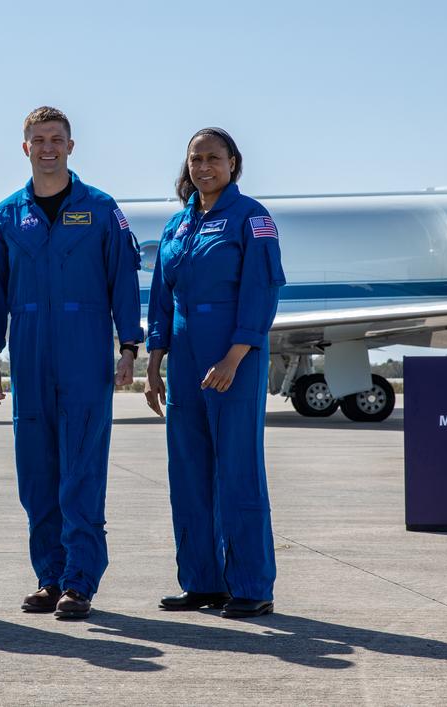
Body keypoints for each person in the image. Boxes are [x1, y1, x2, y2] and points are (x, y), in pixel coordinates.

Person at [0, 107, 142, 620]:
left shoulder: (100, 209)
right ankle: (49, 577)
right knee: (37, 474)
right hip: (28, 354)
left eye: (56, 139)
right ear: (25, 148)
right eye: (38, 139)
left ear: (71, 146)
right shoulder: (7, 215)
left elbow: (123, 281)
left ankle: (79, 582)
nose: (47, 147)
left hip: (84, 354)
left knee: (82, 472)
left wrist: (128, 348)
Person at [144, 127, 286, 619]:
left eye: (213, 159)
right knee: (187, 476)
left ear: (232, 163)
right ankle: (203, 582)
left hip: (234, 362)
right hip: (184, 364)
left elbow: (261, 292)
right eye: (195, 159)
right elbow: (163, 299)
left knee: (237, 473)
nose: (203, 167)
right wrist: (154, 363)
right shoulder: (176, 226)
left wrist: (234, 356)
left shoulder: (251, 219)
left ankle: (251, 584)